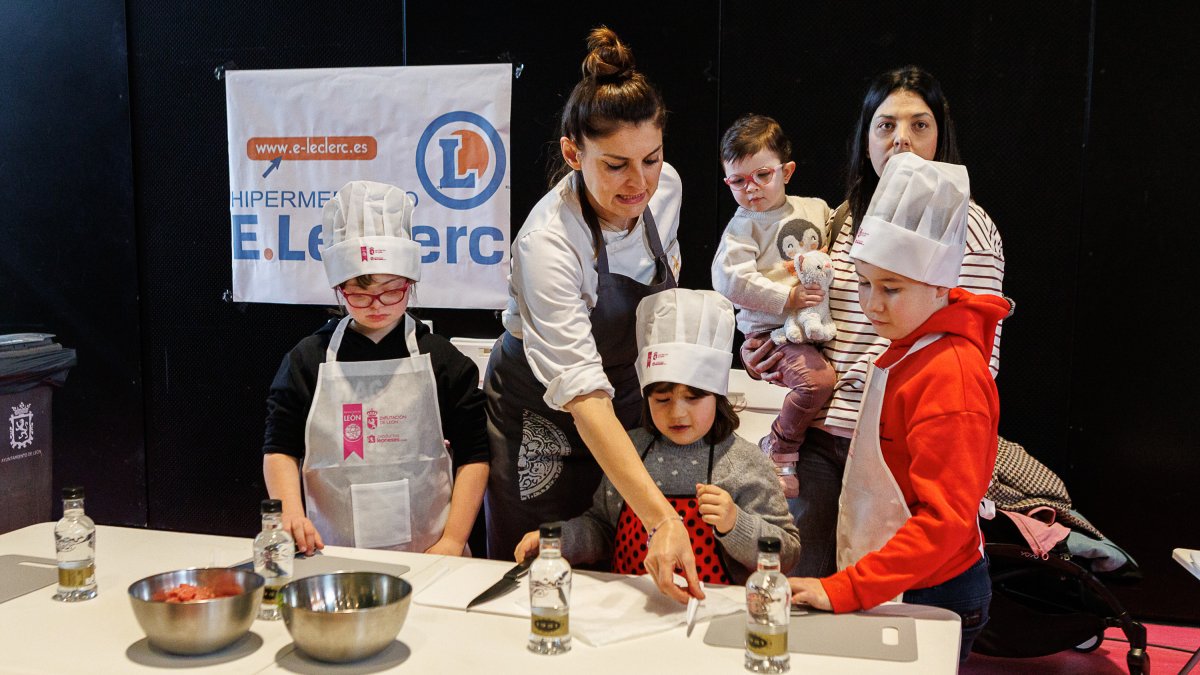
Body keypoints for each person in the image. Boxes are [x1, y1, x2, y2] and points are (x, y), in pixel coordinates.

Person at [742, 66, 1005, 577]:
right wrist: (770, 351)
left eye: (919, 125)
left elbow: (977, 357)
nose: (901, 140)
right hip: (819, 442)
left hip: (896, 449)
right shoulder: (840, 219)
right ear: (866, 139)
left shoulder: (966, 227)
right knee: (806, 595)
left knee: (884, 607)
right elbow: (819, 322)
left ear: (940, 137)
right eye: (885, 126)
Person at [483, 27, 702, 602]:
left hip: (625, 401)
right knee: (539, 570)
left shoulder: (667, 190)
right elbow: (581, 395)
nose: (639, 183)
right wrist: (662, 518)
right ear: (572, 153)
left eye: (651, 159)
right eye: (616, 166)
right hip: (543, 416)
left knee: (619, 564)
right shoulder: (550, 244)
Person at [787, 153, 1010, 663]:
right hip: (897, 576)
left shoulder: (950, 377)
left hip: (936, 590)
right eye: (864, 283)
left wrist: (848, 588)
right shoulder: (909, 345)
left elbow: (945, 521)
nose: (872, 304)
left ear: (940, 286)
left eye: (891, 288)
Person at [262, 180, 489, 556]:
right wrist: (290, 515)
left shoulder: (445, 362)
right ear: (339, 290)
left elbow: (474, 455)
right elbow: (280, 447)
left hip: (431, 552)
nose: (376, 304)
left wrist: (453, 539)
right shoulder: (306, 361)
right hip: (329, 550)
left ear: (410, 283)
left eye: (392, 290)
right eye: (359, 293)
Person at [513, 289, 800, 584]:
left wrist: (735, 523)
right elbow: (601, 528)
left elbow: (788, 553)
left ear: (718, 396)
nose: (677, 413)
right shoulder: (629, 450)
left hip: (711, 612)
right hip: (633, 606)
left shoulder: (746, 463)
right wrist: (559, 542)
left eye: (693, 398)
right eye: (662, 400)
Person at [710, 114, 837, 499]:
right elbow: (729, 279)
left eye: (762, 175)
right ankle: (779, 447)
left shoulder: (815, 209)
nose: (751, 189)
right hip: (774, 333)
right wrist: (788, 297)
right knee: (817, 382)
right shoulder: (742, 227)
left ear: (787, 171)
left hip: (815, 325)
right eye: (738, 180)